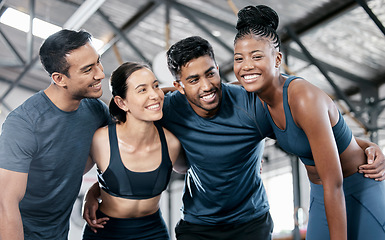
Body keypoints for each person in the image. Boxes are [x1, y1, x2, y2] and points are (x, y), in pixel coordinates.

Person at [84, 36, 385, 240]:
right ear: (178, 85)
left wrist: (363, 145)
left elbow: (306, 132)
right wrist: (99, 188)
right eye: (193, 80)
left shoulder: (250, 104)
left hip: (250, 222)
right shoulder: (167, 108)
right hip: (198, 224)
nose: (206, 86)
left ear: (219, 68)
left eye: (211, 73)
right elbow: (132, 143)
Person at [233, 5, 385, 240]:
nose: (246, 66)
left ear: (277, 59)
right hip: (321, 194)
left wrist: (368, 148)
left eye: (257, 56)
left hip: (355, 189)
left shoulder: (303, 98)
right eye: (239, 59)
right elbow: (208, 91)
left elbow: (334, 183)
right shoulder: (255, 97)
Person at [0, 29, 111, 240]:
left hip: (58, 232)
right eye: (88, 69)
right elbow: (5, 204)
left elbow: (119, 158)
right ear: (59, 79)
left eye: (98, 62)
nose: (100, 74)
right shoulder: (23, 123)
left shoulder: (96, 110)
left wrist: (94, 192)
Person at [82, 62, 186, 240]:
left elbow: (197, 172)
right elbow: (67, 177)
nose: (154, 95)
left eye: (155, 86)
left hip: (153, 233)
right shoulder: (101, 140)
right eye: (142, 90)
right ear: (122, 102)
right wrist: (90, 195)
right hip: (104, 231)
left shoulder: (172, 143)